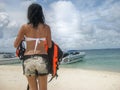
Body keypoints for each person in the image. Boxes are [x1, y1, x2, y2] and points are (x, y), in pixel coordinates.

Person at [14, 3, 52, 90]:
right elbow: (49, 45)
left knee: (32, 88)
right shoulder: (46, 28)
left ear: (29, 14)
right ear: (41, 14)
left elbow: (15, 45)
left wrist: (24, 38)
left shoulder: (24, 27)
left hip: (28, 59)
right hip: (42, 58)